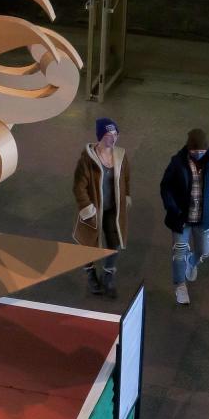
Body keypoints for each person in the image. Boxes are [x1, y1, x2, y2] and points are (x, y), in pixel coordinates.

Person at [160, 127, 209, 306]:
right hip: (181, 218)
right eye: (194, 151)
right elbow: (165, 186)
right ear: (188, 148)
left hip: (204, 217)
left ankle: (192, 260)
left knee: (204, 251)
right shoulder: (177, 162)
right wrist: (172, 208)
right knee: (179, 252)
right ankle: (180, 285)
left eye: (202, 151)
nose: (198, 154)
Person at [73, 117, 131, 298]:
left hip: (113, 209)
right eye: (108, 135)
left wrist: (127, 195)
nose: (112, 138)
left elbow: (126, 177)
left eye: (115, 134)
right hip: (95, 209)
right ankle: (90, 273)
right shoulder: (87, 160)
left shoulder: (120, 155)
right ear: (100, 137)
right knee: (89, 244)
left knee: (114, 241)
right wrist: (86, 206)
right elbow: (78, 186)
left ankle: (108, 274)